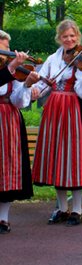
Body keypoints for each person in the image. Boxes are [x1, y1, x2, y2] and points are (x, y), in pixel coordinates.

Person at [31, 20, 82, 226]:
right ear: (59, 38)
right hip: (54, 111)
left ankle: (77, 209)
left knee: (74, 158)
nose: (69, 40)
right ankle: (61, 207)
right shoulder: (53, 58)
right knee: (55, 157)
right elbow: (44, 83)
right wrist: (35, 89)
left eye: (72, 36)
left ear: (77, 37)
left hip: (74, 111)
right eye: (65, 36)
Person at [0, 30, 40, 234]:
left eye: (5, 50)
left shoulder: (14, 70)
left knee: (8, 167)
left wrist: (26, 85)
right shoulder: (11, 68)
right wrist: (12, 66)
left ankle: (3, 218)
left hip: (8, 121)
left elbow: (18, 101)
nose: (2, 54)